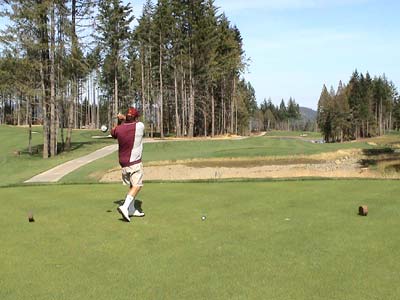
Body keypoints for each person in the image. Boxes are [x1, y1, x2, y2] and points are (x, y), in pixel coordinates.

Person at [111, 107, 145, 222]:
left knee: (132, 184)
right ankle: (125, 207)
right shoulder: (139, 126)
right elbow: (133, 122)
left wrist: (120, 120)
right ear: (136, 117)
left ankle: (131, 209)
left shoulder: (119, 129)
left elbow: (113, 133)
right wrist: (124, 118)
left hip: (123, 162)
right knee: (137, 185)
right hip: (134, 162)